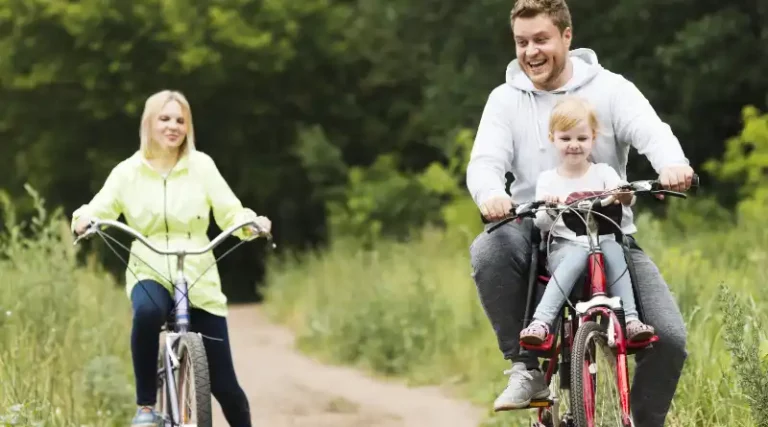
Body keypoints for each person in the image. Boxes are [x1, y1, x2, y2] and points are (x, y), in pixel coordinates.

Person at [465, 0, 694, 425]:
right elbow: (484, 163)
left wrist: (671, 165)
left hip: (607, 233)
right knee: (489, 248)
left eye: (541, 39)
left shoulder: (610, 89)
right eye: (522, 41)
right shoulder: (505, 101)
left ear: (567, 37)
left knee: (670, 339)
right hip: (537, 228)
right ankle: (526, 369)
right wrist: (490, 194)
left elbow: (652, 132)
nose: (531, 51)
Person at [71, 90, 269, 427]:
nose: (173, 126)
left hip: (198, 272)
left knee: (226, 387)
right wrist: (83, 219)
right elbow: (97, 207)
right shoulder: (127, 172)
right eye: (165, 118)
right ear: (149, 122)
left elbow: (229, 211)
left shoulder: (201, 166)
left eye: (180, 120)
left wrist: (251, 224)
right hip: (149, 265)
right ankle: (146, 406)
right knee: (148, 312)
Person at [519, 96, 655, 346]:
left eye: (582, 138)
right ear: (553, 138)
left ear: (593, 138)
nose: (574, 145)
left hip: (603, 242)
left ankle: (631, 320)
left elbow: (624, 196)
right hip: (565, 247)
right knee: (577, 255)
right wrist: (548, 207)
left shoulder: (603, 173)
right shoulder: (549, 180)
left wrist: (624, 194)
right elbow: (540, 223)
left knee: (614, 250)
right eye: (566, 138)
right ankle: (541, 321)